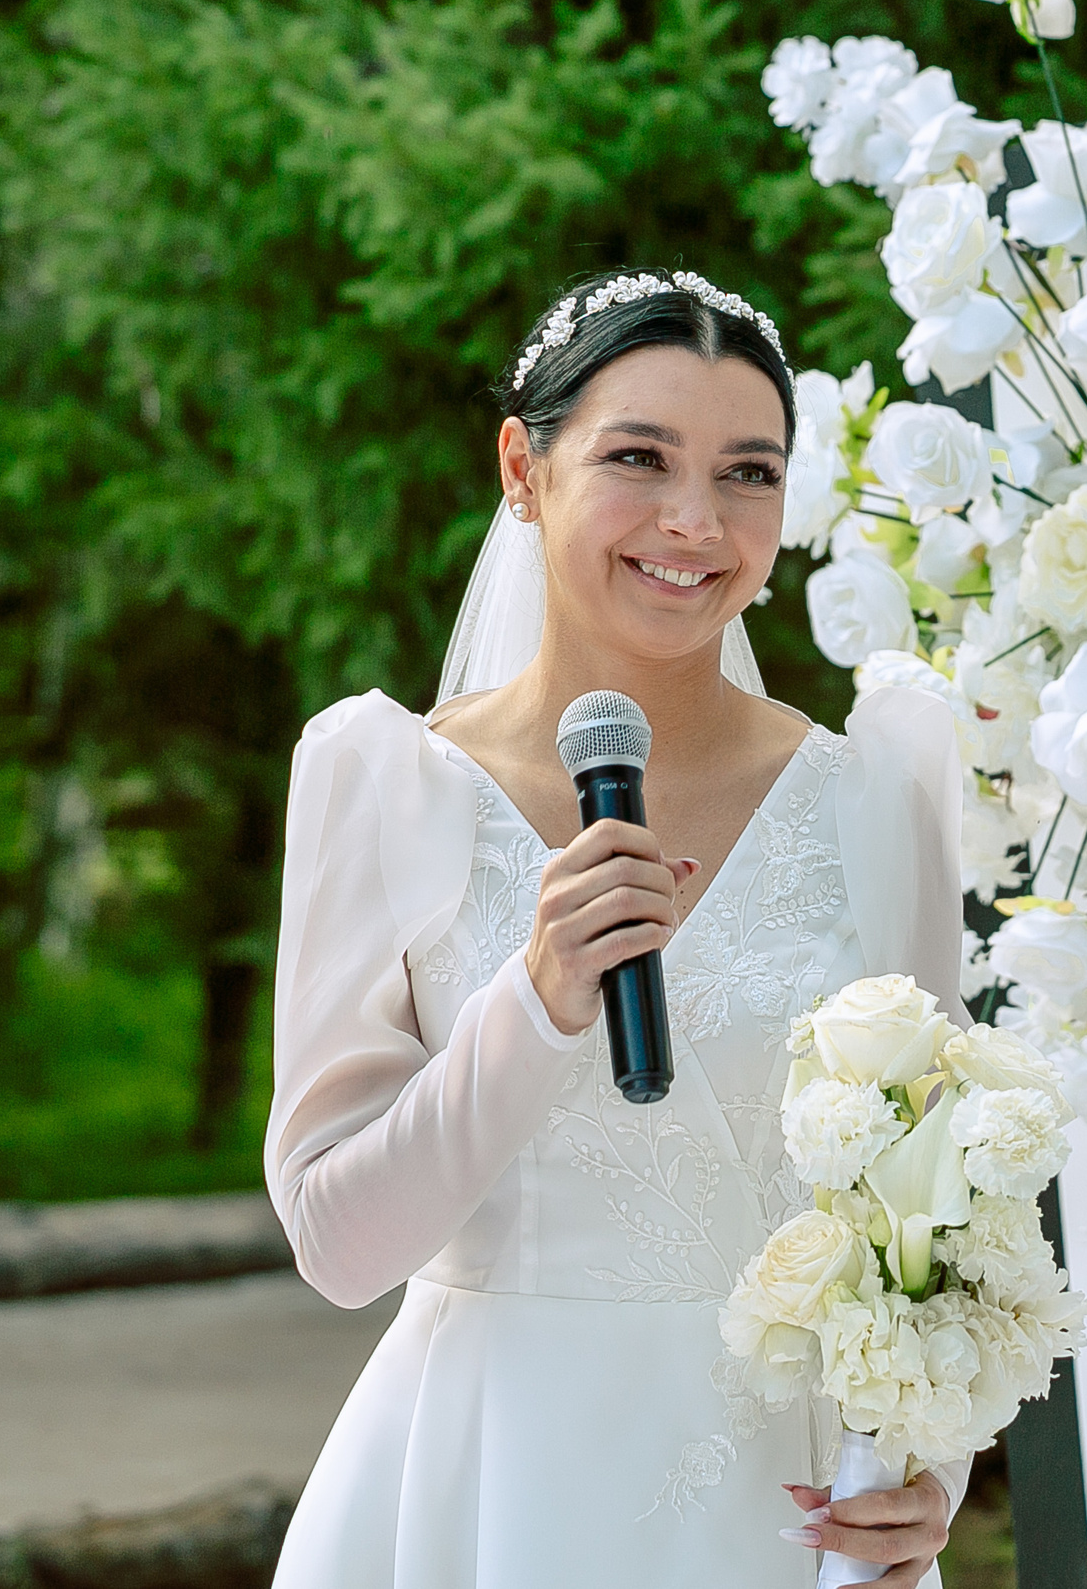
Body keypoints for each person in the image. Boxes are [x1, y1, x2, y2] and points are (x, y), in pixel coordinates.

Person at [265, 271, 970, 1586]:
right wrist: (531, 1006)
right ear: (524, 470)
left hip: (783, 1505)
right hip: (490, 1493)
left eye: (749, 474)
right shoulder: (386, 783)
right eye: (638, 457)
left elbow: (939, 1203)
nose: (695, 522)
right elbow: (340, 1247)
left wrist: (932, 1463)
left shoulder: (879, 789)